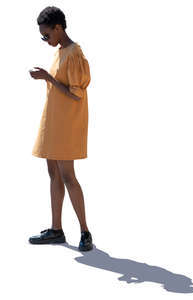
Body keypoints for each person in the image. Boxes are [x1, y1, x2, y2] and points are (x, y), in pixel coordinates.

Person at [28, 6, 93, 251]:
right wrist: (48, 78)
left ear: (59, 28)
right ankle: (56, 229)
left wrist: (48, 78)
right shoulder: (60, 51)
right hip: (54, 122)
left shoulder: (74, 52)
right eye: (42, 37)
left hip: (67, 124)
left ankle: (85, 231)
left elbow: (76, 94)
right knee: (53, 173)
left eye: (47, 35)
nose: (46, 40)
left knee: (68, 176)